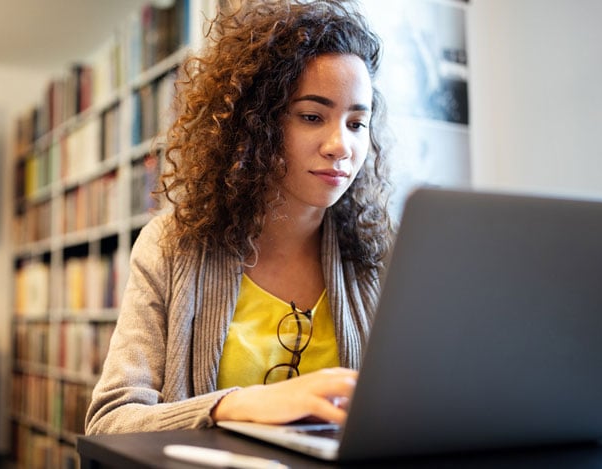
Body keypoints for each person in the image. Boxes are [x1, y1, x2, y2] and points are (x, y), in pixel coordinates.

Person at [85, 0, 393, 435]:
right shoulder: (170, 245)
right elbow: (109, 421)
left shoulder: (383, 254)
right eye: (312, 116)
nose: (340, 145)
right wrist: (238, 406)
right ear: (256, 124)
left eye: (357, 123)